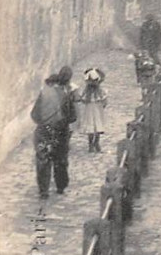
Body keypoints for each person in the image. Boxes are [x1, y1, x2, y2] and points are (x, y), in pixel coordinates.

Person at [30, 65, 76, 199]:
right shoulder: (65, 95)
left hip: (43, 131)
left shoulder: (43, 95)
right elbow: (73, 117)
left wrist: (44, 122)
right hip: (60, 132)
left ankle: (43, 191)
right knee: (60, 159)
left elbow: (34, 115)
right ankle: (60, 187)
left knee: (43, 160)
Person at [78, 67, 107, 153]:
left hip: (89, 111)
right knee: (97, 126)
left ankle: (91, 145)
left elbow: (83, 100)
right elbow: (105, 102)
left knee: (90, 127)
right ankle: (96, 143)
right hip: (97, 110)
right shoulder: (101, 91)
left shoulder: (86, 92)